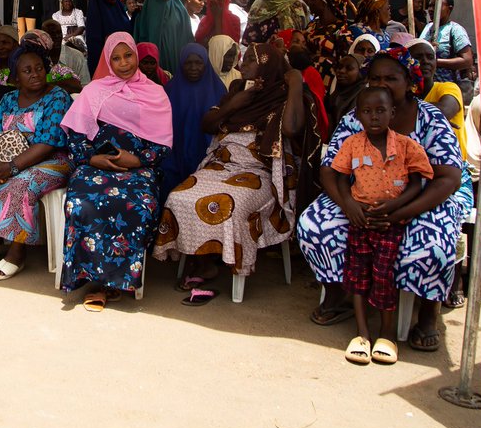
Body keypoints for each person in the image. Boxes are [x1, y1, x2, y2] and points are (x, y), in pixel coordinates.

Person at [297, 49, 471, 354]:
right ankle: (339, 294)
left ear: (409, 81)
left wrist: (398, 213)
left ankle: (428, 312)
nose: (383, 83)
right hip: (360, 199)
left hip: (421, 201)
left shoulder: (430, 119)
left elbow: (448, 178)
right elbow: (329, 168)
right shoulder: (357, 117)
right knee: (315, 225)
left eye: (391, 77)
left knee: (431, 243)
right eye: (375, 78)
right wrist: (348, 204)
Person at [154, 42, 314, 301]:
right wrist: (235, 103)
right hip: (221, 164)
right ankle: (202, 259)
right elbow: (208, 124)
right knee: (178, 195)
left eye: (251, 59)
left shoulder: (283, 95)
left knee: (230, 202)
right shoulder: (239, 89)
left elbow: (293, 129)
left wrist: (296, 84)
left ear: (266, 63)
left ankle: (223, 261)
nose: (243, 64)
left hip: (258, 170)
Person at [59, 32, 171, 311]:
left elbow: (162, 143)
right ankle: (91, 279)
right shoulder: (93, 91)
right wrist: (92, 158)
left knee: (138, 204)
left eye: (128, 56)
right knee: (80, 204)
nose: (123, 63)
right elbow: (74, 135)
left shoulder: (155, 93)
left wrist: (138, 160)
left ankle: (112, 282)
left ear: (136, 54)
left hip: (137, 169)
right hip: (95, 166)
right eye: (116, 58)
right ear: (107, 61)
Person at [327, 86, 432, 366]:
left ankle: (387, 335)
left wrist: (396, 207)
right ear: (358, 115)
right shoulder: (352, 144)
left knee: (385, 275)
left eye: (380, 110)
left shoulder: (407, 146)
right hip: (361, 220)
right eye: (367, 111)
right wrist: (349, 203)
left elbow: (417, 182)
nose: (374, 117)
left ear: (392, 112)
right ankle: (362, 334)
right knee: (357, 276)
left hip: (388, 222)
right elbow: (340, 176)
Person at [0, 42, 73, 279]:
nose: (35, 74)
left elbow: (47, 144)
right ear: (16, 77)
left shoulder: (57, 97)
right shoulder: (8, 99)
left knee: (22, 183)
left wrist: (12, 167)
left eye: (39, 68)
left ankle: (17, 253)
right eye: (27, 71)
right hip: (8, 161)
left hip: (51, 161)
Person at [158, 43, 226, 205]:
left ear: (206, 64)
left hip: (209, 157)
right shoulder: (170, 91)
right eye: (188, 63)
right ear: (181, 64)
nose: (193, 67)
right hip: (175, 156)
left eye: (198, 63)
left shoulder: (219, 90)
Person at [407, 38, 467, 158]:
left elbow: (444, 111)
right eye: (418, 57)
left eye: (430, 57)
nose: (425, 61)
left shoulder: (448, 87)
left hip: (452, 167)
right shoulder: (406, 95)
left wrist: (406, 112)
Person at [133, 0, 193, 73]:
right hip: (150, 64)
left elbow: (186, 36)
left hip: (175, 58)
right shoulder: (144, 15)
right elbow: (140, 38)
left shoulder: (180, 11)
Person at [303, 0, 356, 90]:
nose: (309, 2)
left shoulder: (341, 31)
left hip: (326, 84)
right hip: (305, 79)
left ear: (324, 3)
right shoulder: (312, 25)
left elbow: (344, 64)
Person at [419, 0, 473, 85]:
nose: (431, 9)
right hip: (424, 87)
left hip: (446, 87)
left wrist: (435, 62)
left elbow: (467, 61)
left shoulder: (455, 29)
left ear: (449, 9)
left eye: (436, 6)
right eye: (430, 6)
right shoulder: (428, 27)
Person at [85, 0, 132, 75]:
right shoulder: (95, 13)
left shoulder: (118, 7)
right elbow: (95, 44)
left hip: (125, 61)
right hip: (106, 63)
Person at [41, 18, 89, 84]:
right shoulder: (38, 57)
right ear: (43, 37)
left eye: (59, 33)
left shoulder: (77, 56)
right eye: (51, 34)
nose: (57, 36)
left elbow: (85, 84)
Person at [326, 54, 365, 128]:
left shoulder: (362, 98)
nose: (341, 71)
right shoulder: (336, 93)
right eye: (339, 67)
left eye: (349, 68)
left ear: (360, 72)